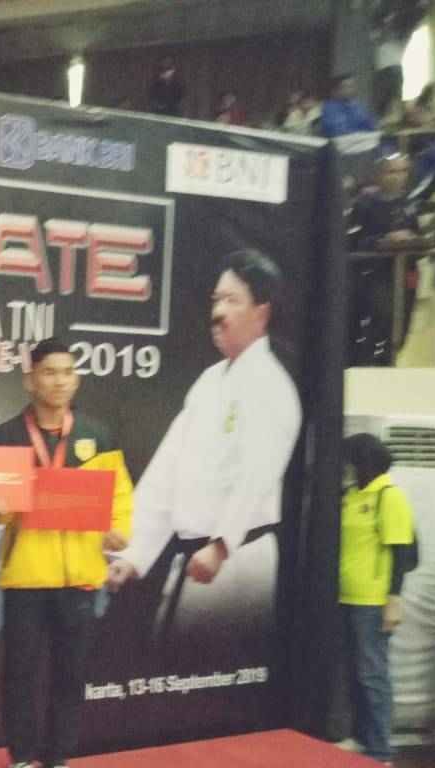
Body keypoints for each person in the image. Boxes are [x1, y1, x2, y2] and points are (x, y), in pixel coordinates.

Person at [106, 251, 301, 652]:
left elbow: (256, 477)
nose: (218, 312)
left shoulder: (271, 386)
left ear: (261, 312)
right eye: (216, 300)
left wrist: (222, 545)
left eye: (231, 300)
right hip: (196, 557)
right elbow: (167, 471)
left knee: (219, 667)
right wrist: (133, 553)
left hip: (238, 557)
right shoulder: (209, 382)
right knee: (181, 662)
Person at [0, 339, 133, 768]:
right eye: (49, 372)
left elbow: (119, 493)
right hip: (26, 575)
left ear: (77, 379)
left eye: (67, 372)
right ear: (29, 380)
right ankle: (20, 758)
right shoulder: (7, 435)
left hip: (80, 575)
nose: (59, 381)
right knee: (21, 672)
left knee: (71, 672)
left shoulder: (96, 433)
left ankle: (59, 759)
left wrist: (118, 530)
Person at [333, 433, 416, 763]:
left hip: (372, 603)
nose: (347, 466)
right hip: (345, 598)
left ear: (363, 461)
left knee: (373, 675)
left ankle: (380, 748)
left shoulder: (389, 496)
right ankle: (360, 737)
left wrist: (394, 599)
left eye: (350, 460)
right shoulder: (351, 495)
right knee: (354, 673)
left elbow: (401, 552)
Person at [350, 152, 423, 365]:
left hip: (406, 272)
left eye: (403, 171)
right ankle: (370, 361)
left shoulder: (411, 202)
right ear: (380, 175)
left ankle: (390, 360)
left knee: (403, 323)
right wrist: (383, 239)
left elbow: (418, 236)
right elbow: (353, 242)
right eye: (393, 172)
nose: (399, 177)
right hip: (375, 274)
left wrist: (414, 239)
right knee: (382, 318)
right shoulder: (364, 204)